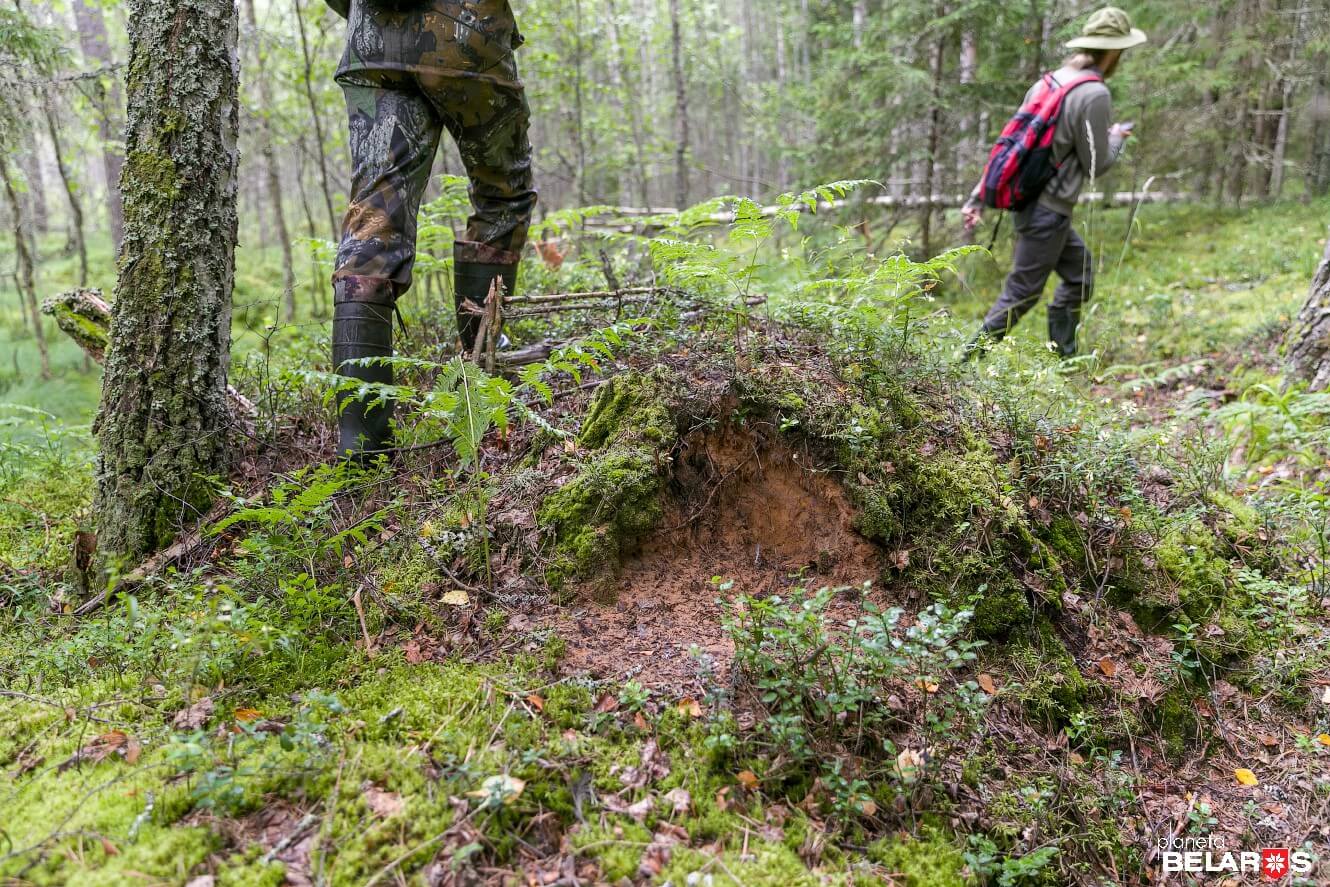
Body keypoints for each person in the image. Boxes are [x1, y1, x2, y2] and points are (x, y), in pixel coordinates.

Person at [324, 0, 538, 456]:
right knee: (503, 194)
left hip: (373, 45)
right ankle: (482, 383)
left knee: (373, 221)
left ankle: (361, 446)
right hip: (468, 34)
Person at [961, 6, 1146, 359]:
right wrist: (1117, 137)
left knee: (1080, 273)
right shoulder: (1095, 94)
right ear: (1113, 52)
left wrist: (977, 197)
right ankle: (962, 364)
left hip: (1033, 204)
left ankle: (1064, 356)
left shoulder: (1050, 81)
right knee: (1022, 293)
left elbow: (1011, 143)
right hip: (1048, 211)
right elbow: (1096, 163)